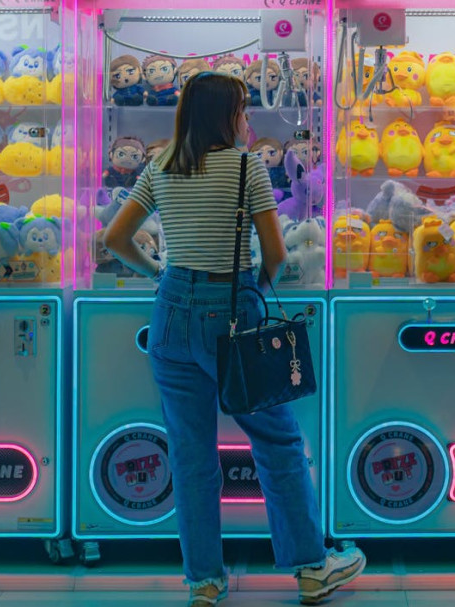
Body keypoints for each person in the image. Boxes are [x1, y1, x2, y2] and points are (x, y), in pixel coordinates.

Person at [105, 71, 366, 606]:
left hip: (170, 316)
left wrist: (158, 274)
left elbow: (115, 238)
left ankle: (204, 581)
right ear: (228, 116)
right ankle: (311, 568)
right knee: (277, 442)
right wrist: (252, 294)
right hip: (232, 307)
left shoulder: (161, 165)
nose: (247, 120)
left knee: (190, 454)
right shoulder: (247, 167)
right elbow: (276, 254)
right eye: (243, 110)